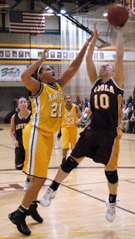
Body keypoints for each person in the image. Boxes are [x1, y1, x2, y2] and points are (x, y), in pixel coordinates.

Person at [40, 22, 127, 223]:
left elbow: (120, 57)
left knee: (110, 170)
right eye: (103, 64)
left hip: (110, 133)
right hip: (92, 129)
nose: (105, 65)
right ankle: (52, 190)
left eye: (108, 65)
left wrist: (120, 33)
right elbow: (88, 59)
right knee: (72, 159)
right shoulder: (95, 81)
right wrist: (94, 38)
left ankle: (112, 201)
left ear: (113, 72)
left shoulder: (118, 83)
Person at [8, 36, 93, 236]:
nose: (52, 70)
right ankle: (19, 213)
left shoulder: (58, 85)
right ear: (40, 75)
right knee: (39, 176)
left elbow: (73, 66)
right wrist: (40, 59)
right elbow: (23, 76)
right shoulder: (38, 87)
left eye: (51, 68)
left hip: (48, 136)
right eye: (47, 69)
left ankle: (32, 205)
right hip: (37, 132)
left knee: (37, 176)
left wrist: (85, 46)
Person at [10, 97, 32, 191]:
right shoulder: (14, 117)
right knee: (19, 166)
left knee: (29, 164)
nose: (23, 103)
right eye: (21, 102)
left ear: (27, 104)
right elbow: (11, 130)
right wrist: (14, 140)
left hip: (30, 144)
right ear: (18, 106)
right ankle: (30, 173)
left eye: (24, 102)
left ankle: (28, 180)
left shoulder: (32, 115)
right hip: (20, 143)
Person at [61, 95, 82, 164]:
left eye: (69, 98)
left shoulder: (75, 107)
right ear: (64, 100)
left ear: (71, 99)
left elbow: (81, 116)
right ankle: (64, 159)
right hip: (65, 128)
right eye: (66, 98)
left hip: (73, 128)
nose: (68, 100)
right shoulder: (62, 108)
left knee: (74, 146)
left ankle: (73, 160)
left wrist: (79, 121)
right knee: (65, 145)